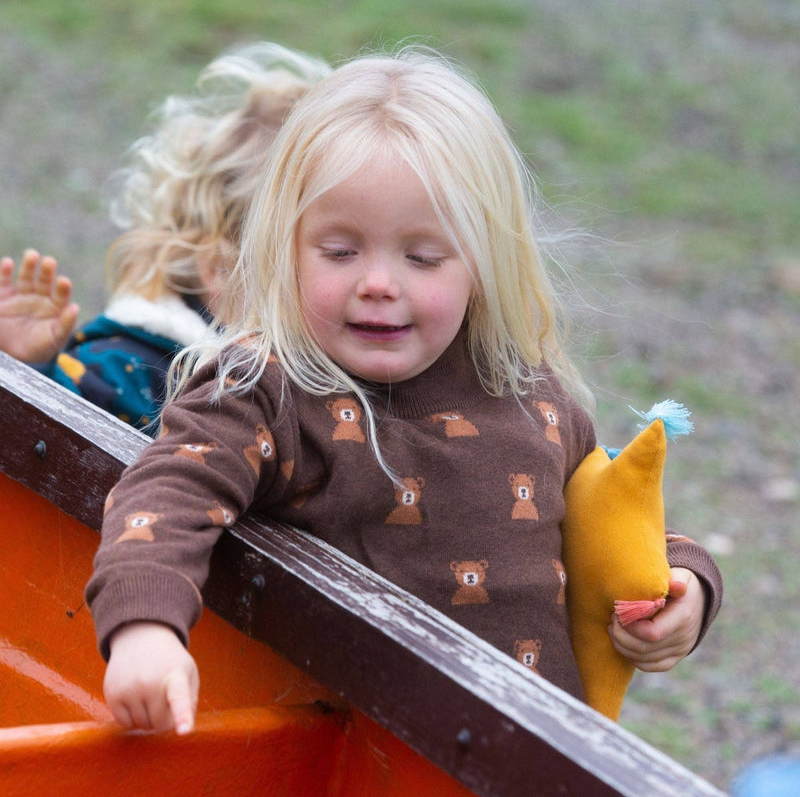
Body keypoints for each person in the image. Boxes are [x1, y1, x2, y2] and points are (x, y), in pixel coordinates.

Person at [85, 46, 723, 736]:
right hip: (353, 763)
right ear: (284, 247)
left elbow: (607, 523)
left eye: (421, 257)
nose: (379, 283)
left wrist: (686, 584)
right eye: (339, 250)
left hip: (530, 763)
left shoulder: (528, 391)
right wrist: (144, 626)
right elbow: (165, 495)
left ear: (483, 260)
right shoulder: (264, 390)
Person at [0, 42, 330, 434]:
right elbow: (53, 444)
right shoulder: (132, 368)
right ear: (221, 271)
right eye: (335, 255)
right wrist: (29, 370)